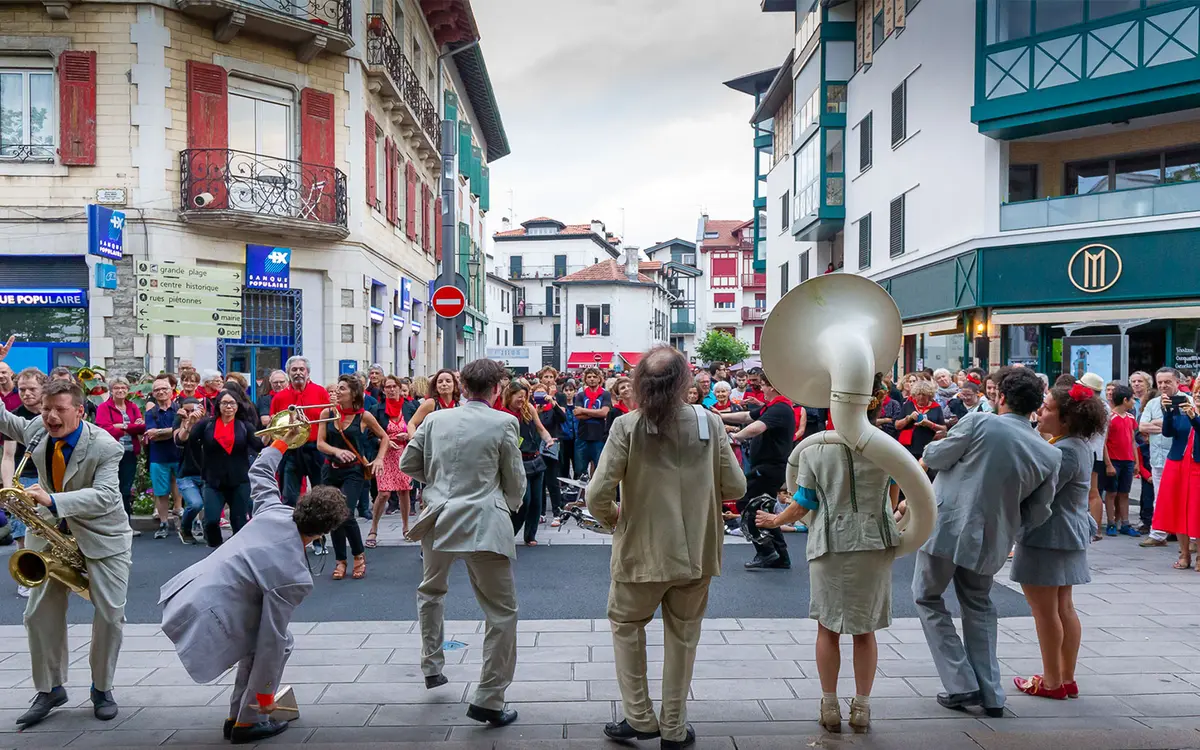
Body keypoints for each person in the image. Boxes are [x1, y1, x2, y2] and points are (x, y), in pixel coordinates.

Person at [587, 346, 745, 749]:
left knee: (626, 627)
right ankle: (674, 727)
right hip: (696, 552)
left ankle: (640, 718)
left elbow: (597, 494)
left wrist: (612, 518)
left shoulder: (626, 425)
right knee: (683, 636)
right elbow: (736, 488)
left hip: (640, 548)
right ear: (684, 382)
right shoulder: (709, 422)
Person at [159, 431, 349, 745]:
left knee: (262, 642)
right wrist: (266, 699)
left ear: (302, 503)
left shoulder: (273, 511)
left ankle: (237, 715)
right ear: (326, 531)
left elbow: (259, 471)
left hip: (188, 593)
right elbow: (271, 643)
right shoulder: (295, 577)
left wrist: (285, 440)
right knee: (278, 643)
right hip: (212, 616)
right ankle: (250, 719)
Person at [913, 367, 1060, 718]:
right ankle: (992, 692)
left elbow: (935, 457)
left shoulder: (981, 422)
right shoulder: (1049, 453)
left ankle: (961, 682)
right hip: (993, 536)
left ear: (1001, 398)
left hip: (947, 525)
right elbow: (1039, 511)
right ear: (1035, 407)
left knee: (927, 596)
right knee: (978, 605)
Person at [755, 374, 898, 732]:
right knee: (865, 630)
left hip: (830, 542)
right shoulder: (886, 446)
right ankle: (862, 707)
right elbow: (898, 494)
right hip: (874, 542)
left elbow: (803, 503)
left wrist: (774, 520)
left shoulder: (817, 449)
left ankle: (829, 704)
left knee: (827, 627)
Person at [0, 349, 131, 727]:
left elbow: (107, 496)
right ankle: (50, 688)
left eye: (59, 409)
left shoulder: (106, 445)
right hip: (50, 535)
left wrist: (53, 499)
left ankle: (101, 689)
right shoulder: (38, 429)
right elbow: (4, 420)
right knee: (37, 612)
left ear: (80, 412)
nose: (51, 417)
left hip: (102, 536)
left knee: (110, 615)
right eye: (45, 409)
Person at [400, 358, 526, 729]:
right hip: (484, 519)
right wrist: (508, 504)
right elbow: (515, 480)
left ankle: (432, 664)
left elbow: (408, 462)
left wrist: (438, 483)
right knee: (501, 612)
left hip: (438, 515)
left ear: (462, 386)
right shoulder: (504, 422)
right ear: (496, 389)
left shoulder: (437, 419)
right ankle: (489, 697)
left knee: (431, 590)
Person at [1009, 382, 1107, 700]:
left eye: (1049, 408)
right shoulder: (1076, 444)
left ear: (1066, 418)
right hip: (1069, 533)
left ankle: (1051, 682)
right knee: (1064, 608)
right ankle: (1065, 678)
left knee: (1045, 611)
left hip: (1048, 536)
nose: (1041, 411)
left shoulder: (1063, 450)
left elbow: (1038, 494)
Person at [720, 370, 797, 570]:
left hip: (768, 467)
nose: (759, 388)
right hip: (768, 467)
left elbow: (756, 427)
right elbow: (747, 416)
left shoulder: (780, 408)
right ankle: (780, 555)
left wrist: (736, 437)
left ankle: (766, 551)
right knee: (766, 508)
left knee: (748, 503)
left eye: (762, 385)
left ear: (770, 386)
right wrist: (720, 416)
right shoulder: (772, 407)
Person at [316, 374, 389, 579]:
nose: (336, 391)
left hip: (354, 471)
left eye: (342, 389)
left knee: (345, 513)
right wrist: (336, 451)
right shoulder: (327, 412)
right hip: (330, 469)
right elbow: (320, 443)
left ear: (353, 393)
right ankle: (340, 561)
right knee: (332, 515)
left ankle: (358, 555)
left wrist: (380, 459)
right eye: (337, 388)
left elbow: (384, 437)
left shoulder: (364, 416)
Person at [177, 389, 264, 547]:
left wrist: (272, 432)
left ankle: (237, 553)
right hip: (213, 481)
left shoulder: (245, 426)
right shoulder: (207, 424)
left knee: (239, 522)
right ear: (218, 405)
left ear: (237, 406)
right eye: (224, 403)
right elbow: (185, 442)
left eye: (232, 403)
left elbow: (259, 445)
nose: (228, 406)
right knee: (211, 521)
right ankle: (215, 549)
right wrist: (189, 424)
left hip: (239, 481)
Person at [1, 367, 46, 597]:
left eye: (31, 389)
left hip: (49, 477)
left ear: (43, 389)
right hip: (25, 477)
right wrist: (9, 488)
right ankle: (27, 575)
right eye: (22, 389)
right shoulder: (15, 415)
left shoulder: (52, 413)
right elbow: (8, 456)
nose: (26, 394)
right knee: (22, 530)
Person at [1152, 374, 1200, 569]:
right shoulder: (1183, 410)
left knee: (1197, 509)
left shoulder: (1191, 414)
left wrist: (1194, 417)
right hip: (1177, 463)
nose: (1197, 396)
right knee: (1177, 507)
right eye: (1196, 393)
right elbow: (1168, 433)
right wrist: (1168, 413)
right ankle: (1184, 553)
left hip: (1197, 465)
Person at [270, 356, 331, 506]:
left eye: (301, 369)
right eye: (294, 370)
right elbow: (275, 426)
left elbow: (329, 420)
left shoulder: (320, 392)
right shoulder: (279, 397)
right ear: (288, 373)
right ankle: (291, 526)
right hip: (291, 451)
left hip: (315, 449)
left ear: (308, 372)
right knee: (289, 497)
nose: (298, 373)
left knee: (321, 493)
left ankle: (319, 526)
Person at [1140, 368, 1189, 551]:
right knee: (1159, 496)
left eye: (1167, 382)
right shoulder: (1153, 403)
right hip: (1157, 457)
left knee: (1185, 496)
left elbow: (1185, 427)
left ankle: (1190, 536)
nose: (1163, 385)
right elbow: (1142, 426)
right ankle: (1158, 533)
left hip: (1181, 457)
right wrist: (1162, 424)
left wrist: (1161, 423)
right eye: (1159, 382)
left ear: (1177, 382)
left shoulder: (1188, 401)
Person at [502, 379, 555, 546]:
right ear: (509, 396)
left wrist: (548, 440)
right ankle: (510, 533)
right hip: (518, 462)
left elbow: (540, 428)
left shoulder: (529, 408)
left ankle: (530, 535)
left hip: (535, 459)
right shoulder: (503, 414)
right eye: (519, 396)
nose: (522, 400)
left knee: (537, 502)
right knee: (525, 501)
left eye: (524, 397)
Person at [95, 377, 145, 525]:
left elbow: (142, 427)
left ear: (128, 390)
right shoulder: (104, 407)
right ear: (111, 390)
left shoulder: (133, 406)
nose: (120, 390)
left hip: (129, 453)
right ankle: (110, 523)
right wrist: (130, 427)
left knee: (125, 489)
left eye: (123, 388)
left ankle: (125, 524)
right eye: (117, 388)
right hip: (111, 454)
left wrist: (121, 426)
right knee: (111, 488)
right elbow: (104, 429)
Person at [368, 376, 413, 542]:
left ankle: (406, 527)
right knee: (384, 493)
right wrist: (383, 440)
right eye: (388, 387)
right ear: (383, 390)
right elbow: (370, 435)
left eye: (394, 386)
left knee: (404, 490)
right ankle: (373, 527)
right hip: (384, 454)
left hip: (404, 453)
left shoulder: (410, 407)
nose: (391, 389)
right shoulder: (376, 409)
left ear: (400, 388)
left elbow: (418, 429)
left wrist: (408, 435)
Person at [143, 376, 182, 540]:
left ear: (171, 390)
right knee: (161, 493)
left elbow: (183, 430)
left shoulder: (180, 409)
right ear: (153, 393)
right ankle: (164, 523)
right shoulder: (150, 413)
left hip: (179, 455)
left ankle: (183, 524)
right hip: (158, 458)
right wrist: (173, 431)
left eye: (164, 388)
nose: (161, 392)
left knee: (182, 489)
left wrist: (160, 432)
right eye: (157, 390)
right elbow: (151, 436)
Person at [1102, 384, 1141, 537]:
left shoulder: (1130, 418)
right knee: (1111, 493)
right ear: (1125, 400)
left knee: (1124, 492)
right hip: (1114, 460)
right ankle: (1111, 522)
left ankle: (1125, 523)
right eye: (1132, 399)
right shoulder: (1110, 418)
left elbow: (1132, 441)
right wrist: (1108, 464)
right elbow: (1104, 442)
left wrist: (1136, 461)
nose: (1133, 402)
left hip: (1128, 461)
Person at [172, 397, 206, 544]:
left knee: (211, 505)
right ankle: (185, 528)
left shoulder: (207, 423)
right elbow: (180, 440)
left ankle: (209, 531)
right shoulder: (178, 422)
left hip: (207, 474)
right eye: (187, 410)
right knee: (196, 504)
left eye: (194, 410)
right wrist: (188, 424)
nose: (191, 413)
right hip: (186, 474)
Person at [896, 380, 946, 469]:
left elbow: (943, 429)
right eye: (918, 394)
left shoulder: (936, 407)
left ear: (930, 396)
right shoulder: (908, 405)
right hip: (908, 446)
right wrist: (908, 418)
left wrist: (930, 424)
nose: (921, 397)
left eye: (924, 394)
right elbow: (897, 425)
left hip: (928, 447)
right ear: (914, 395)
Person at [573, 367, 612, 475]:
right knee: (580, 471)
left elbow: (605, 412)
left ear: (600, 379)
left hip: (599, 436)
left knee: (599, 470)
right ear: (585, 379)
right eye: (589, 377)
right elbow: (577, 415)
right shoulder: (581, 395)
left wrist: (584, 410)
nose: (592, 379)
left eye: (595, 377)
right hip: (582, 436)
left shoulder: (605, 394)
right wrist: (596, 413)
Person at [407, 369, 460, 433]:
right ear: (436, 386)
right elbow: (411, 424)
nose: (444, 384)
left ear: (455, 385)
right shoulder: (430, 403)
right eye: (440, 382)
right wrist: (414, 440)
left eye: (448, 381)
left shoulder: (460, 406)